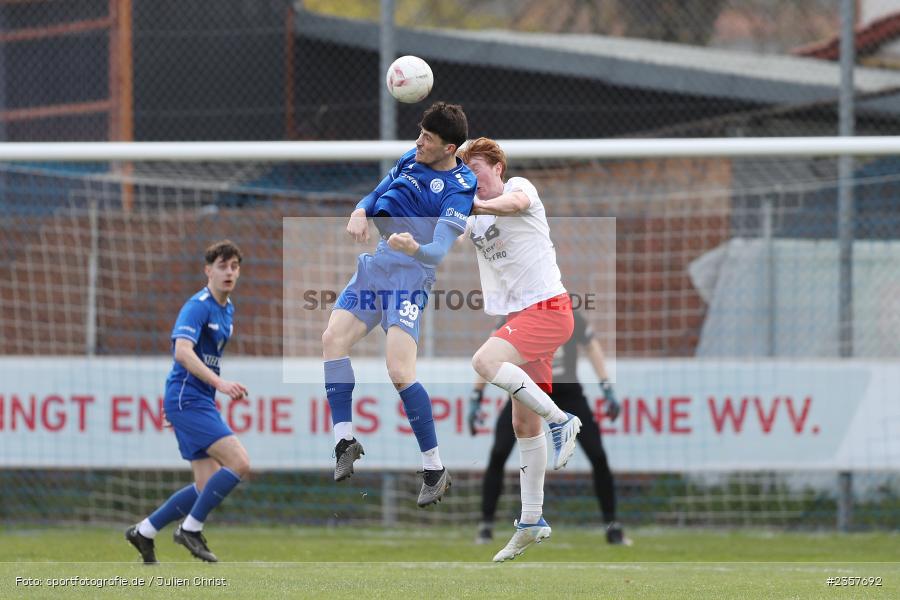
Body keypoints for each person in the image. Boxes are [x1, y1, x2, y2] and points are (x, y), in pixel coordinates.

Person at [321, 102, 476, 507]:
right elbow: (378, 192)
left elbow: (440, 250)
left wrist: (416, 247)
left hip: (409, 277)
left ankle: (434, 468)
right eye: (420, 132)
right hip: (377, 267)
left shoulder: (461, 185)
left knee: (399, 371)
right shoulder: (412, 155)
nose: (419, 141)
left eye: (428, 137)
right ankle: (345, 442)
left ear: (450, 148)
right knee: (332, 339)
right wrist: (360, 209)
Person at [459, 137, 582, 562]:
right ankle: (532, 521)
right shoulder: (472, 217)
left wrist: (469, 206)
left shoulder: (521, 188)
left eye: (474, 168)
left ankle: (563, 419)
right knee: (523, 424)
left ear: (496, 165)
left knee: (484, 361)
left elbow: (510, 205)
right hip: (521, 317)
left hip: (549, 308)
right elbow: (443, 236)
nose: (470, 178)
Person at [126, 240, 251, 564]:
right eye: (222, 266)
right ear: (208, 271)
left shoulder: (227, 309)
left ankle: (145, 530)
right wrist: (219, 384)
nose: (229, 272)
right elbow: (182, 351)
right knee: (239, 463)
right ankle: (190, 529)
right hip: (188, 398)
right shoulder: (198, 305)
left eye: (234, 266)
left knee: (205, 485)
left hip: (190, 401)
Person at [468, 306, 632, 546]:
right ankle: (486, 525)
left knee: (598, 455)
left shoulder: (567, 314)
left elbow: (592, 346)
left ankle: (612, 526)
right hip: (530, 391)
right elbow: (490, 351)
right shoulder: (516, 315)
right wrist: (476, 394)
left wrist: (606, 385)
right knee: (499, 452)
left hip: (568, 393)